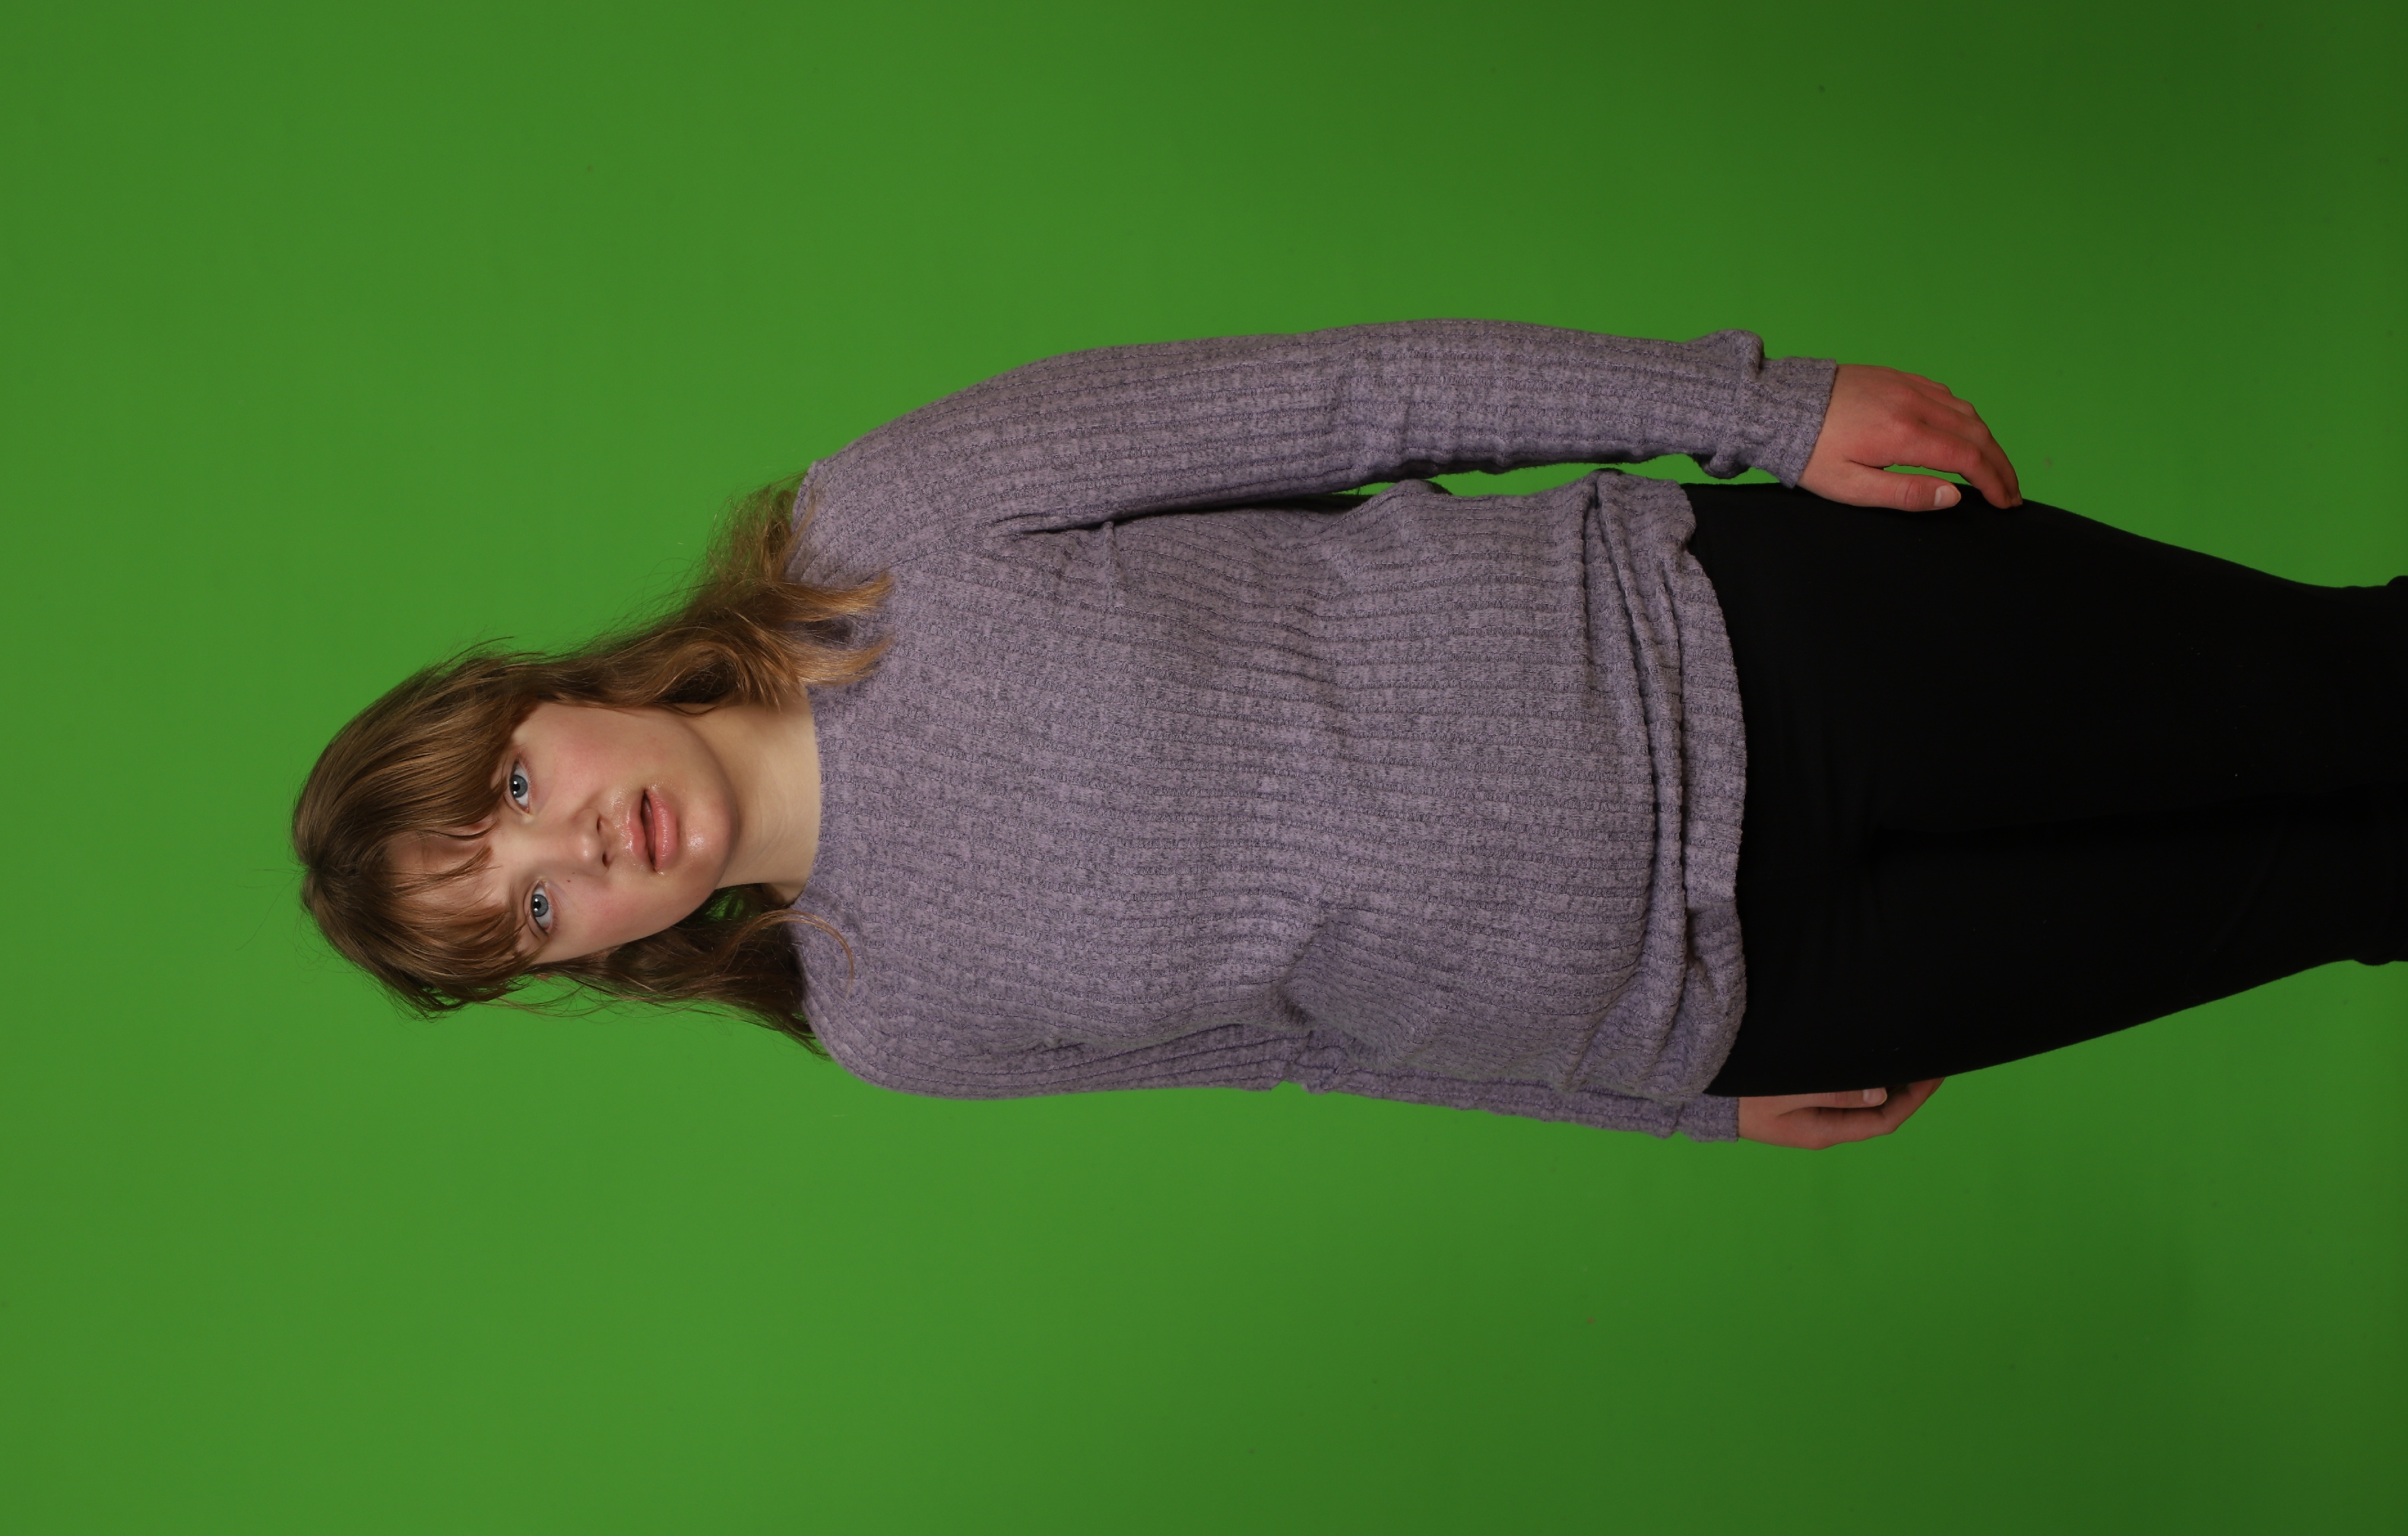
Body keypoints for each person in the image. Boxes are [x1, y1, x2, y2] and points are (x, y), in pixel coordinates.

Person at [293, 322, 2406, 1151]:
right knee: (2348, 884)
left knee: (2353, 689)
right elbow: (1315, 1052)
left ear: (539, 697)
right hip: (1754, 995)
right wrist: (1690, 1114)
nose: (580, 847)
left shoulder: (886, 527)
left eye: (513, 797)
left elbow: (1355, 398)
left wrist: (1757, 410)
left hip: (1756, 647)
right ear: (589, 961)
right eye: (533, 911)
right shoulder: (894, 1023)